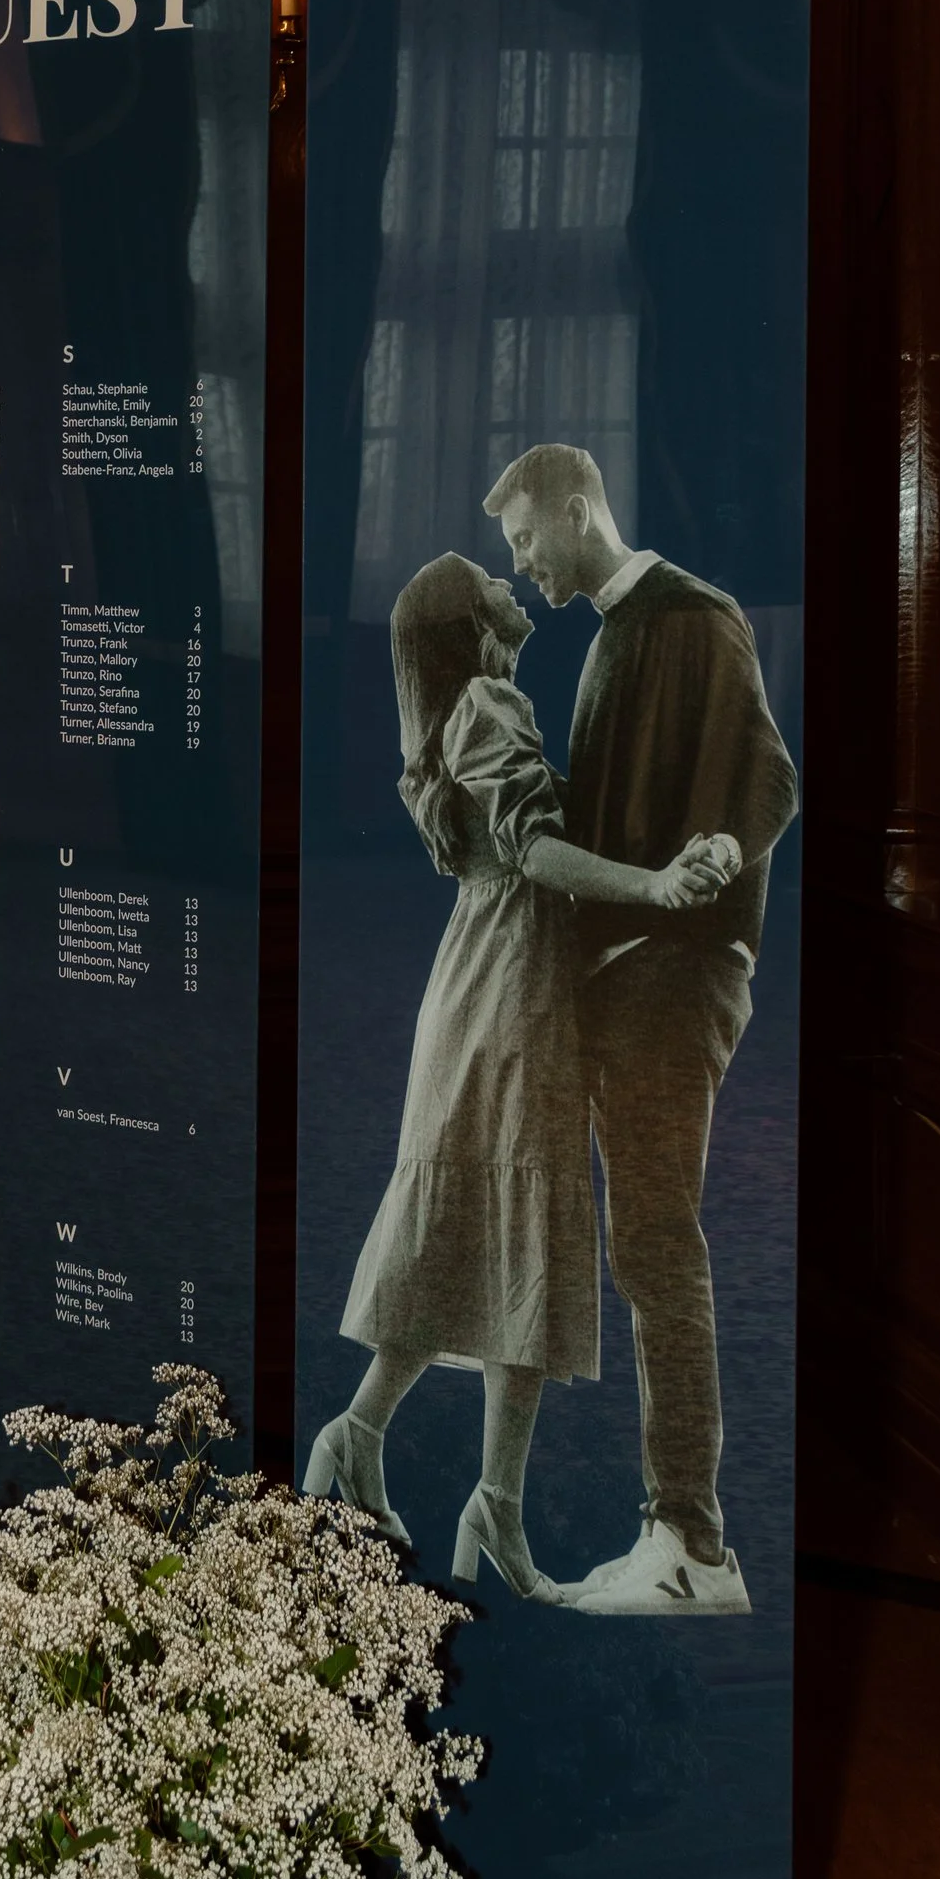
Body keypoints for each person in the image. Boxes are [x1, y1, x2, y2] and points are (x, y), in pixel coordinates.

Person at [303, 552, 727, 1597]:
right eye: (491, 580)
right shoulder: (491, 698)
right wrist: (659, 886)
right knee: (519, 1230)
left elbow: (534, 827)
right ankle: (477, 1496)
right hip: (514, 988)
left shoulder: (455, 714)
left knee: (473, 1234)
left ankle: (371, 1444)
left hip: (477, 980)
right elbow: (536, 850)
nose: (509, 581)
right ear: (468, 621)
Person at [485, 440, 798, 1617]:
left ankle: (692, 1545)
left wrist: (717, 843)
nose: (520, 561)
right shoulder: (614, 638)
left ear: (576, 507)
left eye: (526, 536)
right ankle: (675, 1530)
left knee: (659, 1241)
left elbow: (764, 771)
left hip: (677, 975)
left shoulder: (691, 615)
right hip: (632, 977)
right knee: (644, 1246)